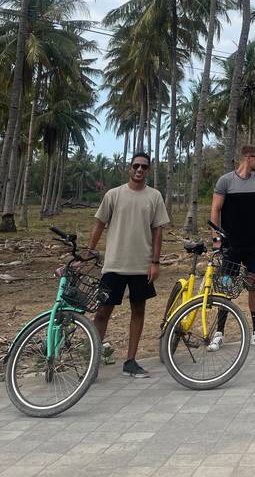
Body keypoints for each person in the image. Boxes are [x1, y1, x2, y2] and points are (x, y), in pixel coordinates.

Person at [89, 151, 169, 378]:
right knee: (103, 313)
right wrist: (89, 251)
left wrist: (155, 262)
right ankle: (92, 364)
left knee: (138, 310)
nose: (139, 170)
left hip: (141, 266)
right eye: (136, 166)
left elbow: (158, 231)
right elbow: (99, 224)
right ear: (129, 168)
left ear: (148, 171)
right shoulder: (113, 195)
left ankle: (131, 361)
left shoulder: (154, 197)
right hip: (114, 264)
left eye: (144, 167)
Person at [210, 143, 255, 350]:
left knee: (253, 285)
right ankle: (219, 333)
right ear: (247, 158)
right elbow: (215, 210)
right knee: (226, 287)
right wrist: (216, 238)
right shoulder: (225, 181)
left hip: (253, 242)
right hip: (231, 244)